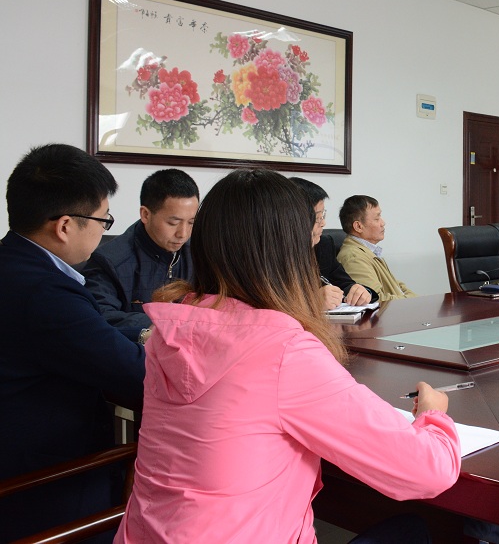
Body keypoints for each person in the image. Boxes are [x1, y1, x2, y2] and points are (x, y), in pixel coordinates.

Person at [114, 169, 460, 544]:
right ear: (291, 252)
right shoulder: (283, 352)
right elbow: (428, 471)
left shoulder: (171, 331)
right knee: (416, 530)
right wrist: (434, 415)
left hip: (144, 536)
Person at [0, 144, 145, 543]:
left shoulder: (13, 264)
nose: (105, 230)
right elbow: (137, 374)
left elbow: (86, 338)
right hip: (46, 486)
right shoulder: (45, 293)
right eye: (104, 219)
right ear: (65, 226)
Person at [84, 168, 199, 342]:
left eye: (191, 222)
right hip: (136, 352)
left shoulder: (200, 253)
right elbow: (99, 315)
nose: (183, 234)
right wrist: (165, 325)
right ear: (145, 214)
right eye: (173, 222)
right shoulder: (110, 261)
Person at [290, 177, 377, 309]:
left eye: (323, 216)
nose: (323, 223)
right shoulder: (268, 254)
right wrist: (312, 300)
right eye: (318, 217)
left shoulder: (323, 245)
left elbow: (345, 284)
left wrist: (360, 292)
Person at [337, 196, 416, 301]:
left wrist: (414, 299)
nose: (383, 223)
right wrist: (412, 300)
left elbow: (397, 287)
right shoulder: (354, 258)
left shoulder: (367, 251)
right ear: (358, 226)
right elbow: (375, 299)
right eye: (377, 219)